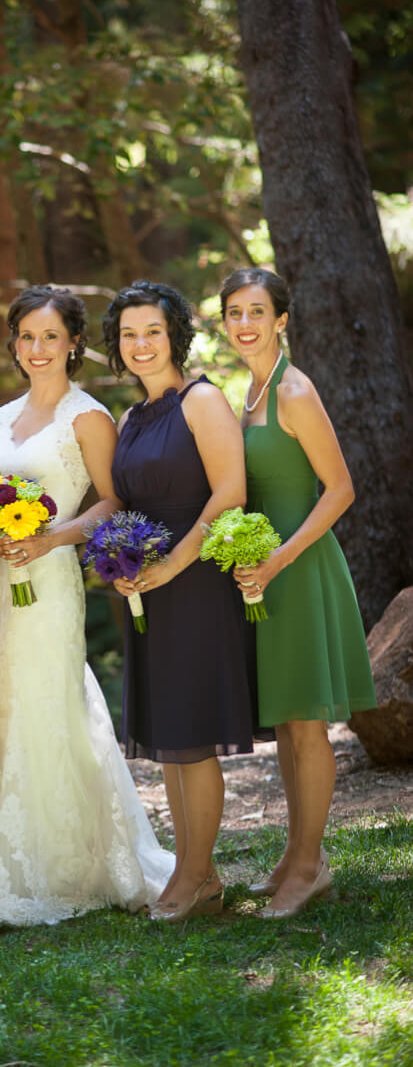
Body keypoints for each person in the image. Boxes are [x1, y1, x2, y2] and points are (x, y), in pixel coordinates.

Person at [0, 285, 175, 928]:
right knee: (10, 709)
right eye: (26, 336)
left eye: (50, 337)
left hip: (52, 580)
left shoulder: (88, 416)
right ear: (14, 343)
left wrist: (49, 538)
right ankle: (18, 862)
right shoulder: (0, 418)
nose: (37, 348)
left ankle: (75, 865)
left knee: (51, 702)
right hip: (5, 584)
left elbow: (111, 501)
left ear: (75, 343)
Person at [220, 267, 377, 919]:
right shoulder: (251, 391)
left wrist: (279, 558)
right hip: (264, 575)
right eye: (232, 312)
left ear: (280, 318)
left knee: (306, 725)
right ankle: (294, 851)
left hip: (301, 569)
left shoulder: (295, 389)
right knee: (286, 720)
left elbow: (338, 488)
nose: (244, 323)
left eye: (255, 311)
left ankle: (311, 866)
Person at [103, 280, 254, 923]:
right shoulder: (129, 419)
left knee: (192, 733)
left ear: (175, 336)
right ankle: (202, 876)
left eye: (152, 332)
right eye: (128, 334)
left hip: (195, 583)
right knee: (168, 736)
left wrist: (170, 565)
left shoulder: (204, 400)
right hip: (149, 590)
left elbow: (229, 493)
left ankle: (193, 876)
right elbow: (122, 505)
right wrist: (120, 562)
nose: (140, 344)